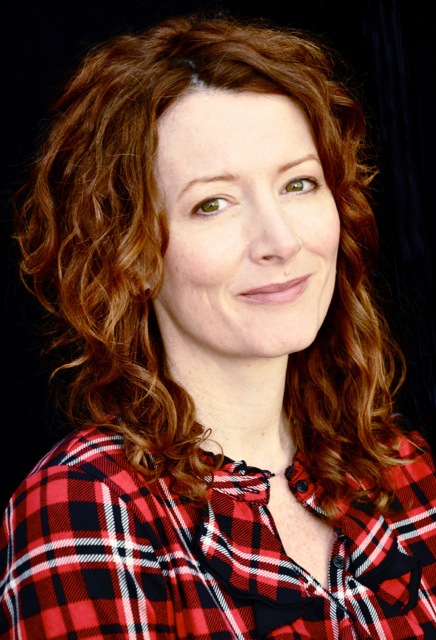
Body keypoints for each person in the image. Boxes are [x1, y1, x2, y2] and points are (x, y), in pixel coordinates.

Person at [1, 13, 435, 640]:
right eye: (212, 203)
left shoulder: (407, 469)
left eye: (299, 184)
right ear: (130, 254)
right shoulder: (88, 504)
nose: (279, 240)